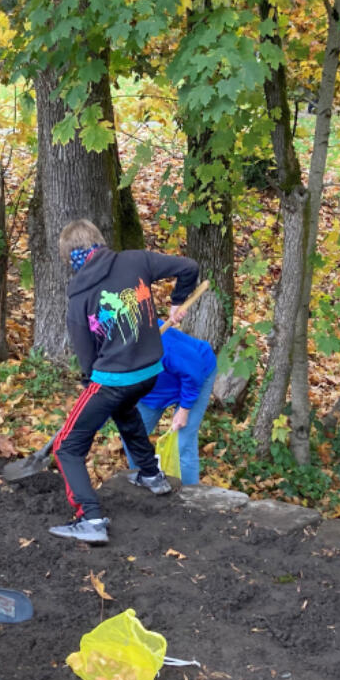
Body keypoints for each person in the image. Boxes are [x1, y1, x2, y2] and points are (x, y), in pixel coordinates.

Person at [49, 219, 200, 545]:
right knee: (124, 409)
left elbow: (88, 361)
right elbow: (189, 267)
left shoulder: (79, 299)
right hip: (150, 372)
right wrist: (178, 300)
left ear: (69, 258)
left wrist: (93, 385)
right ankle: (151, 475)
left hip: (113, 379)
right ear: (99, 242)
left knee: (66, 447)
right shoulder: (135, 260)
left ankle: (89, 518)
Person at [123, 326, 217, 486]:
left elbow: (193, 370)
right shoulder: (110, 344)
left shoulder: (160, 341)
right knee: (131, 435)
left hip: (197, 375)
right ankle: (146, 479)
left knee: (182, 443)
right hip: (155, 388)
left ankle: (190, 497)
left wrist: (185, 408)